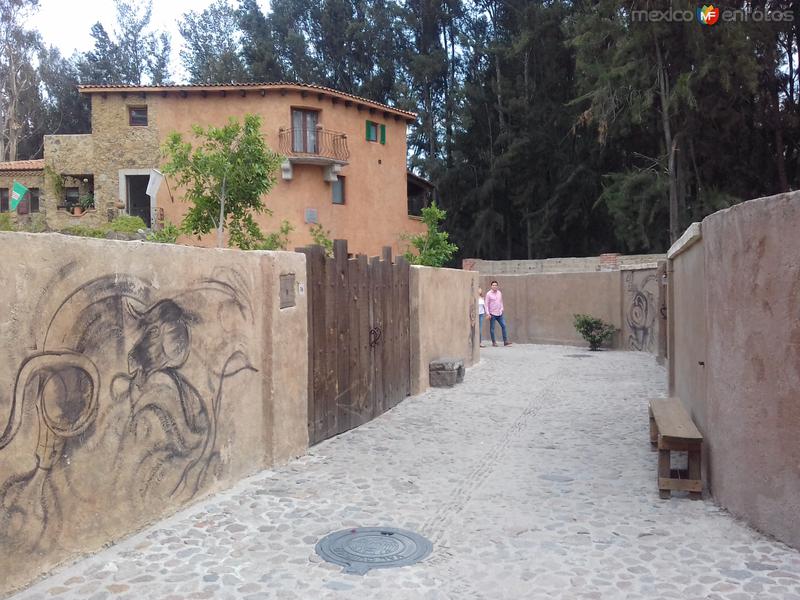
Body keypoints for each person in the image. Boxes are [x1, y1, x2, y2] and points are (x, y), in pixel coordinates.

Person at [485, 280, 511, 347]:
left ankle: (505, 341)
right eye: (493, 285)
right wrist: (488, 313)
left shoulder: (499, 293)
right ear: (491, 286)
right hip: (492, 314)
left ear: (497, 286)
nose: (494, 286)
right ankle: (494, 342)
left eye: (495, 285)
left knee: (504, 326)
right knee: (492, 329)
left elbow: (501, 301)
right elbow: (486, 305)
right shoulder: (488, 294)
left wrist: (502, 308)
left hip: (500, 314)